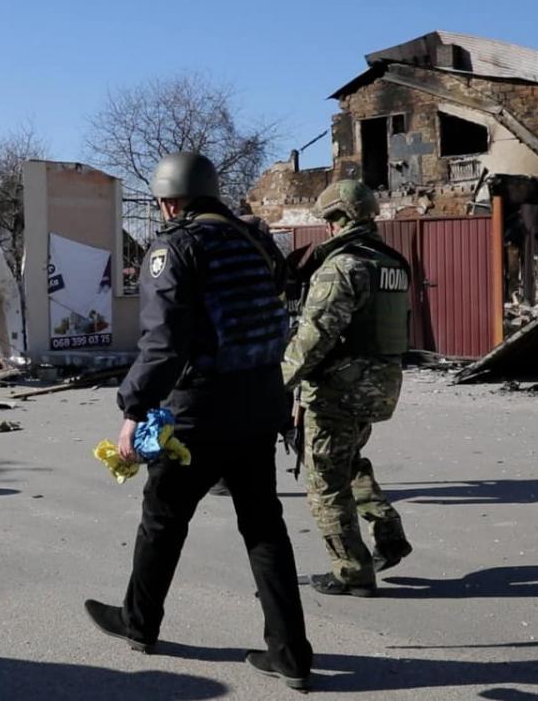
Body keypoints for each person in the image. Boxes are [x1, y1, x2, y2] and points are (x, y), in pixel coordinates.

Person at [84, 152, 313, 691]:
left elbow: (163, 345)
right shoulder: (253, 241)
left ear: (167, 200)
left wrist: (133, 410)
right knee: (264, 527)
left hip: (200, 410)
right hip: (259, 405)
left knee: (163, 517)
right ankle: (291, 654)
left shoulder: (176, 246)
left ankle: (139, 622)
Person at [282, 179, 414, 598]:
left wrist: (275, 383)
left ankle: (351, 570)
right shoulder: (390, 263)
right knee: (349, 461)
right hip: (379, 387)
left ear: (339, 219)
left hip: (338, 389)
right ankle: (388, 530)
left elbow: (314, 337)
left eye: (329, 220)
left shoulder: (342, 266)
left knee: (324, 481)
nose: (326, 229)